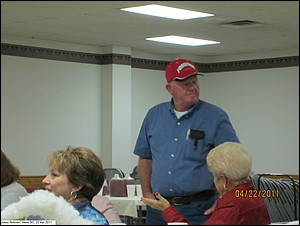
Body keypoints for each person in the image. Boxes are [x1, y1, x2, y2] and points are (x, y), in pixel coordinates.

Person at [133, 58, 240, 225]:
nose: (193, 87)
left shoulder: (215, 117)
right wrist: (146, 192)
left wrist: (225, 199)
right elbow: (145, 158)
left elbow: (235, 162)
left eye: (195, 81)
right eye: (185, 84)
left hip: (197, 209)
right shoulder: (154, 116)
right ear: (169, 88)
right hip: (158, 207)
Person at [141, 142, 271, 225]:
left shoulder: (231, 208)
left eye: (214, 176)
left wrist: (167, 210)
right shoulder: (252, 195)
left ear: (223, 180)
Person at [42, 146, 109, 225]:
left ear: (77, 185)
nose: (44, 180)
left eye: (54, 175)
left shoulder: (92, 221)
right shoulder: (58, 214)